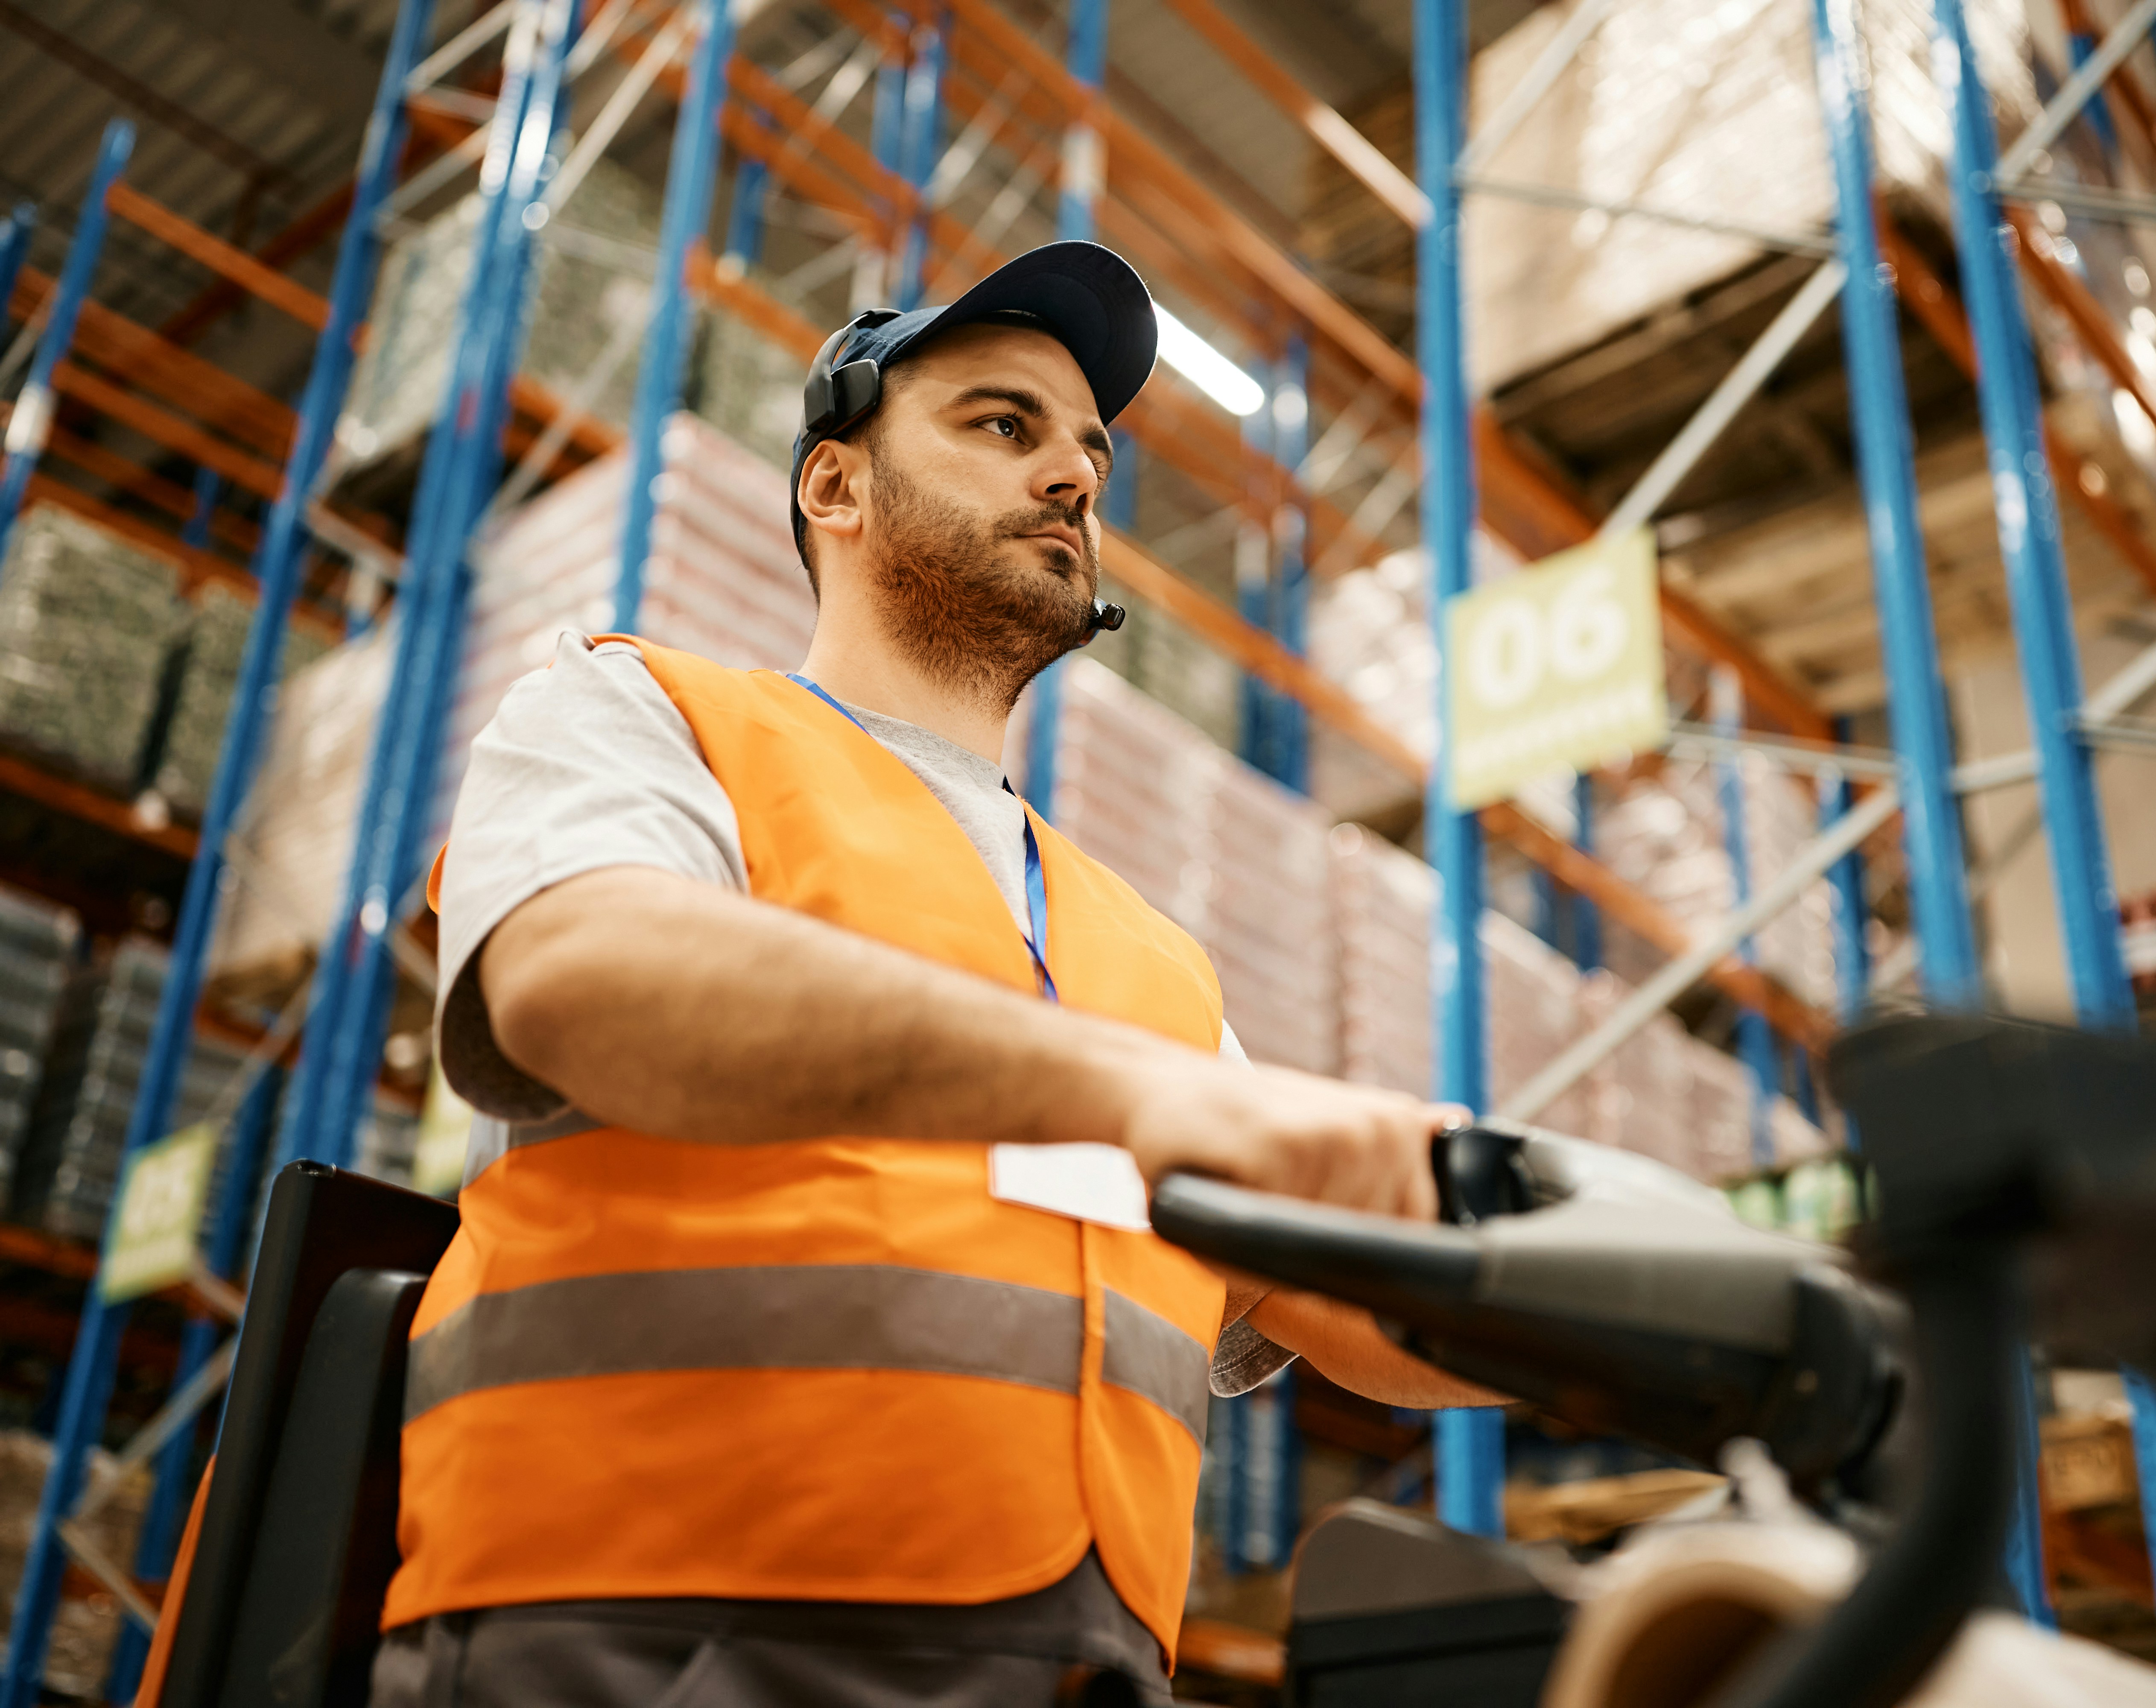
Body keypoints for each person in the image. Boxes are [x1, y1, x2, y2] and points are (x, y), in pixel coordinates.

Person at [372, 240, 1500, 1708]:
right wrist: (1150, 1099)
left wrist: (1673, 1336)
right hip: (645, 1633)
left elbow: (1341, 1299)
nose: (1075, 477)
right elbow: (578, 973)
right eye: (1001, 425)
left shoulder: (1150, 958)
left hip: (1074, 1668)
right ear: (833, 487)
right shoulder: (643, 715)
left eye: (1091, 449)